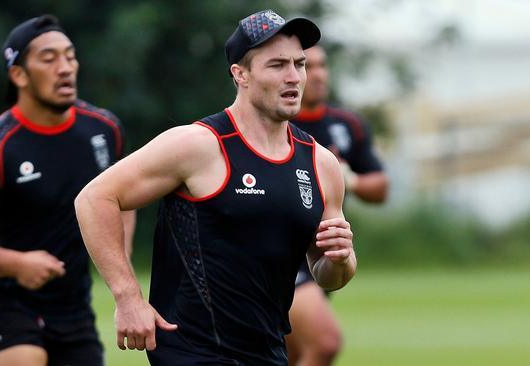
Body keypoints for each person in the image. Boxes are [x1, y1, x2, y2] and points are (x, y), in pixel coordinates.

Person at [75, 9, 356, 365]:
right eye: (277, 65)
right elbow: (95, 198)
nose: (294, 77)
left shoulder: (320, 164)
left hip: (267, 351)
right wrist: (127, 297)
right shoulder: (199, 145)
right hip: (191, 350)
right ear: (241, 74)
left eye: (299, 64)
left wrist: (341, 258)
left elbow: (329, 276)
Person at [0, 15, 135, 366]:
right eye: (48, 58)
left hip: (71, 306)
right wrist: (17, 264)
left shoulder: (104, 130)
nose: (65, 68)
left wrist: (120, 263)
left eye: (70, 56)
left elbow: (126, 196)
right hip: (0, 303)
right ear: (19, 75)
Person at [286, 44, 389, 366]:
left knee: (290, 354)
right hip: (282, 254)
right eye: (307, 66)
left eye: (321, 65)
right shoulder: (270, 125)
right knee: (324, 342)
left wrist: (349, 180)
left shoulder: (346, 124)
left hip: (323, 252)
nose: (317, 74)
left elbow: (380, 187)